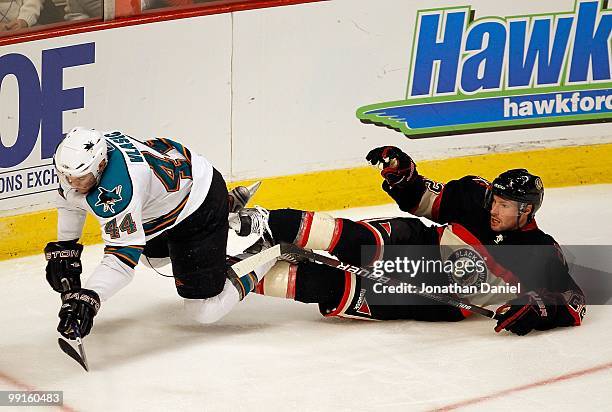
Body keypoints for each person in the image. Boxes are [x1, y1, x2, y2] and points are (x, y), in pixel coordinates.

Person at [231, 146, 586, 336]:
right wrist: (405, 179)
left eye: (506, 206)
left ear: (526, 211)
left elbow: (573, 302)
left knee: (329, 286)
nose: (495, 209)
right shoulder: (476, 195)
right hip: (423, 244)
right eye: (496, 200)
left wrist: (537, 312)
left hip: (443, 299)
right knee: (354, 239)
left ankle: (240, 275)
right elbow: (431, 202)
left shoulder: (540, 250)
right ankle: (265, 223)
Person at [44, 127, 272, 340]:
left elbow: (121, 260)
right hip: (172, 196)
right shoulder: (86, 155)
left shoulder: (119, 189)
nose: (71, 183)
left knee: (204, 309)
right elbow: (69, 199)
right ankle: (228, 211)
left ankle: (268, 249)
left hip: (199, 208)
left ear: (102, 164)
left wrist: (89, 298)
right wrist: (66, 247)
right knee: (151, 258)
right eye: (65, 176)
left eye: (79, 178)